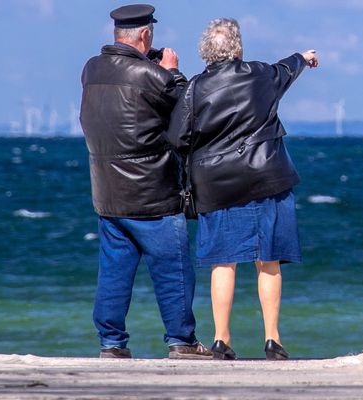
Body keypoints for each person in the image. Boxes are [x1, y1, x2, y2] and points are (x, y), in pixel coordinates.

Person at [165, 18, 318, 360]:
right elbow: (286, 69)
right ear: (237, 48)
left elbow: (177, 138)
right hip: (268, 178)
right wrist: (303, 57)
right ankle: (272, 340)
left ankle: (221, 339)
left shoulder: (194, 89)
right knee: (269, 261)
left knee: (223, 263)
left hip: (216, 186)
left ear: (207, 51)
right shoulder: (260, 74)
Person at [79, 4, 212, 360]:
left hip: (108, 194)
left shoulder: (91, 69)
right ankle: (181, 341)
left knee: (114, 274)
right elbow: (188, 107)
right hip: (153, 193)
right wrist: (172, 71)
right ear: (145, 35)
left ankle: (111, 343)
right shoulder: (152, 76)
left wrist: (153, 69)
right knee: (174, 273)